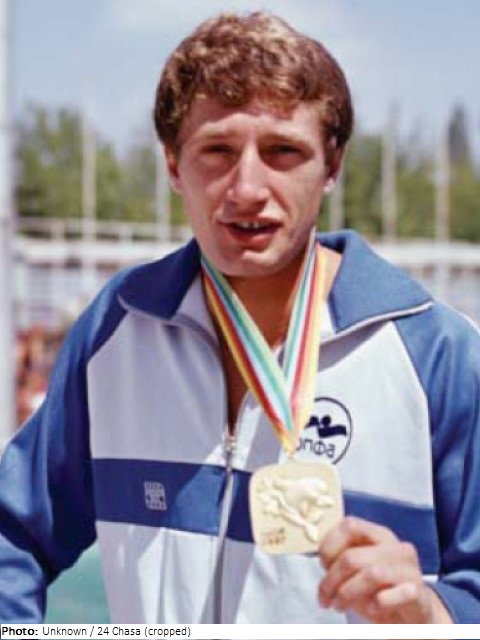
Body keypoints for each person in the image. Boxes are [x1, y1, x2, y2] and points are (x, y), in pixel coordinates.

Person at [1, 11, 479, 625]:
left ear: (332, 165)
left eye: (283, 151)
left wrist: (435, 615)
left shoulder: (437, 355)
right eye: (217, 151)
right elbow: (12, 534)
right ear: (173, 165)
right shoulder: (117, 330)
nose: (247, 187)